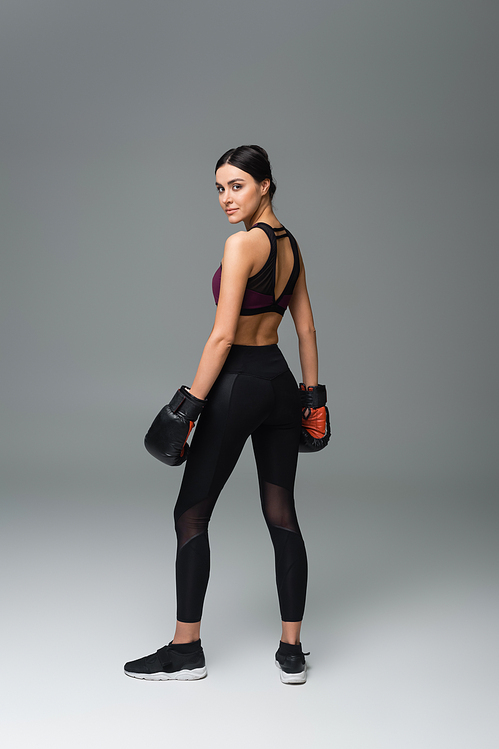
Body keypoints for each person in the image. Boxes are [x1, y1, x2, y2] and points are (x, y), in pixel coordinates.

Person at [124, 145, 327, 685]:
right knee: (281, 512)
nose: (225, 199)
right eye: (219, 187)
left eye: (236, 185)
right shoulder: (291, 246)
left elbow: (222, 335)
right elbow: (305, 329)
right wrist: (313, 400)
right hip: (280, 384)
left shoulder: (242, 246)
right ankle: (291, 650)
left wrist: (188, 404)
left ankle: (185, 649)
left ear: (265, 185)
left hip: (237, 385)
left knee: (190, 514)